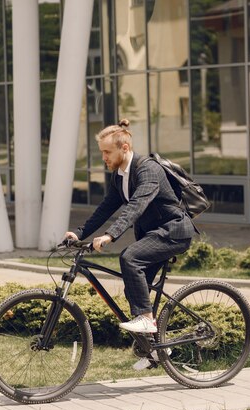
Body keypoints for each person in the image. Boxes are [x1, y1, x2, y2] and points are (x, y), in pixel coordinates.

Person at [65, 119, 196, 335]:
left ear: (124, 148)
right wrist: (79, 233)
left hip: (173, 232)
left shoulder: (148, 170)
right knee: (133, 288)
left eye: (107, 152)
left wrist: (110, 235)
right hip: (154, 235)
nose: (104, 158)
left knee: (130, 257)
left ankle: (146, 319)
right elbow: (106, 208)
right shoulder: (119, 176)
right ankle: (154, 349)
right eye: (102, 152)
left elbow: (136, 206)